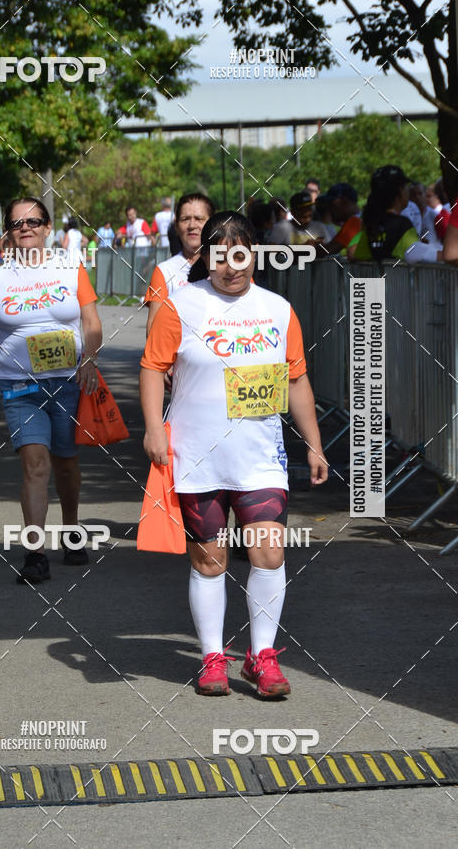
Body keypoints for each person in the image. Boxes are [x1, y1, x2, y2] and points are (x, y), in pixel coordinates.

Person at [140, 211, 328, 698]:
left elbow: (297, 378)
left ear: (255, 255)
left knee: (268, 552)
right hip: (197, 454)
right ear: (208, 257)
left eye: (242, 253)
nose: (233, 266)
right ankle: (211, 657)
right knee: (210, 561)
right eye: (222, 255)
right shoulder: (181, 306)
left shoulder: (278, 310)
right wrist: (153, 429)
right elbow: (151, 366)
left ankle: (262, 657)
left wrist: (313, 443)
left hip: (259, 455)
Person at [0, 197, 102, 582]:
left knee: (66, 462)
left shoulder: (70, 268)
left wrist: (90, 358)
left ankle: (72, 530)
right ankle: (34, 554)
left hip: (67, 382)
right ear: (9, 232)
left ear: (48, 228)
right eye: (17, 223)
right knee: (35, 464)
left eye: (34, 221)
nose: (25, 227)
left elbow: (91, 321)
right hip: (19, 386)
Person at [144, 192, 215, 336]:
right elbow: (154, 331)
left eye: (199, 219)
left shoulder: (231, 267)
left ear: (212, 224)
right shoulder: (165, 271)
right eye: (185, 219)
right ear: (176, 226)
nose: (192, 225)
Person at [351, 166, 441, 263]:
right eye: (407, 186)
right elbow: (418, 255)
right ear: (400, 190)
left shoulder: (372, 224)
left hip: (375, 278)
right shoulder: (401, 224)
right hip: (399, 278)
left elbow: (357, 256)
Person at [321, 183, 362, 257]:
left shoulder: (355, 221)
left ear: (344, 200)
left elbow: (328, 250)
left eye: (331, 204)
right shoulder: (362, 218)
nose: (329, 208)